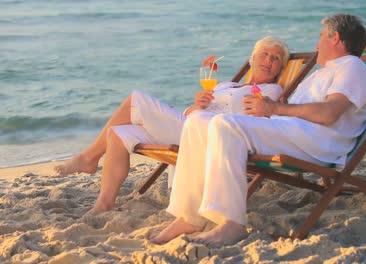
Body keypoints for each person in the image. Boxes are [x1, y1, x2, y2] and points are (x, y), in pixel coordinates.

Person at [150, 13, 366, 246]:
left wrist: (274, 108)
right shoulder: (324, 72)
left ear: (336, 38)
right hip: (292, 131)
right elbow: (294, 109)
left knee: (225, 124)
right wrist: (271, 110)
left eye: (321, 37)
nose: (316, 44)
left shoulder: (352, 68)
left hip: (318, 140)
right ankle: (189, 216)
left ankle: (232, 224)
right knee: (197, 120)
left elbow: (330, 113)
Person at [53, 36, 290, 215]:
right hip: (191, 124)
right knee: (117, 133)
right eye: (265, 54)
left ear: (280, 69)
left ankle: (89, 158)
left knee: (136, 99)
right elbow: (189, 112)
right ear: (252, 59)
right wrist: (197, 104)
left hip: (210, 136)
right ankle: (104, 203)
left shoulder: (271, 91)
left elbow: (256, 120)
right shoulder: (226, 85)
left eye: (276, 58)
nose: (269, 60)